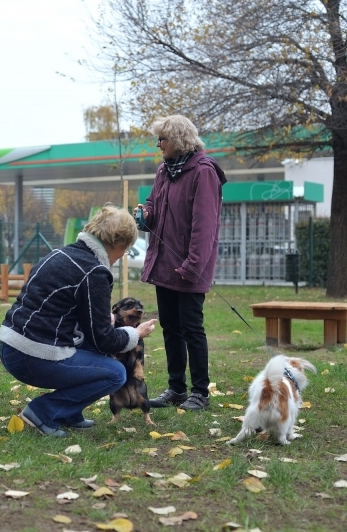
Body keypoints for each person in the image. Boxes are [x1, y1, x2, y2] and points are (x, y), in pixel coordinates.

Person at [0, 205, 157, 437]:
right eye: (125, 251)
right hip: (33, 355)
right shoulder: (94, 272)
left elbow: (62, 310)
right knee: (115, 373)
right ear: (118, 244)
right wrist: (135, 334)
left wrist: (106, 318)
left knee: (95, 354)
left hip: (11, 345)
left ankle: (69, 412)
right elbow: (103, 339)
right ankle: (42, 412)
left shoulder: (59, 254)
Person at [135, 115, 226, 411]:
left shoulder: (204, 172)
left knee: (191, 328)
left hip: (190, 266)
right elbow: (153, 204)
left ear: (178, 141)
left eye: (162, 139)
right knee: (170, 328)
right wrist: (146, 215)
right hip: (165, 264)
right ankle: (176, 388)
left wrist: (193, 264)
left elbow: (205, 224)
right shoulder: (164, 170)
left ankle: (200, 391)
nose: (158, 144)